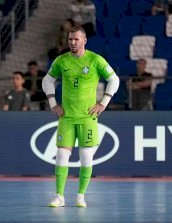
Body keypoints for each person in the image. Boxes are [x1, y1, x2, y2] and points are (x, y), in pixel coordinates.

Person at [42, 25, 119, 207]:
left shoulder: (95, 60)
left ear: (84, 40)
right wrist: (53, 103)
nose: (73, 42)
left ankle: (80, 196)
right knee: (61, 155)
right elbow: (47, 80)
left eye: (76, 39)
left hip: (87, 117)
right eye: (70, 39)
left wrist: (103, 102)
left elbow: (114, 79)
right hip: (67, 117)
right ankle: (59, 196)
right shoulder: (62, 60)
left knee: (86, 157)